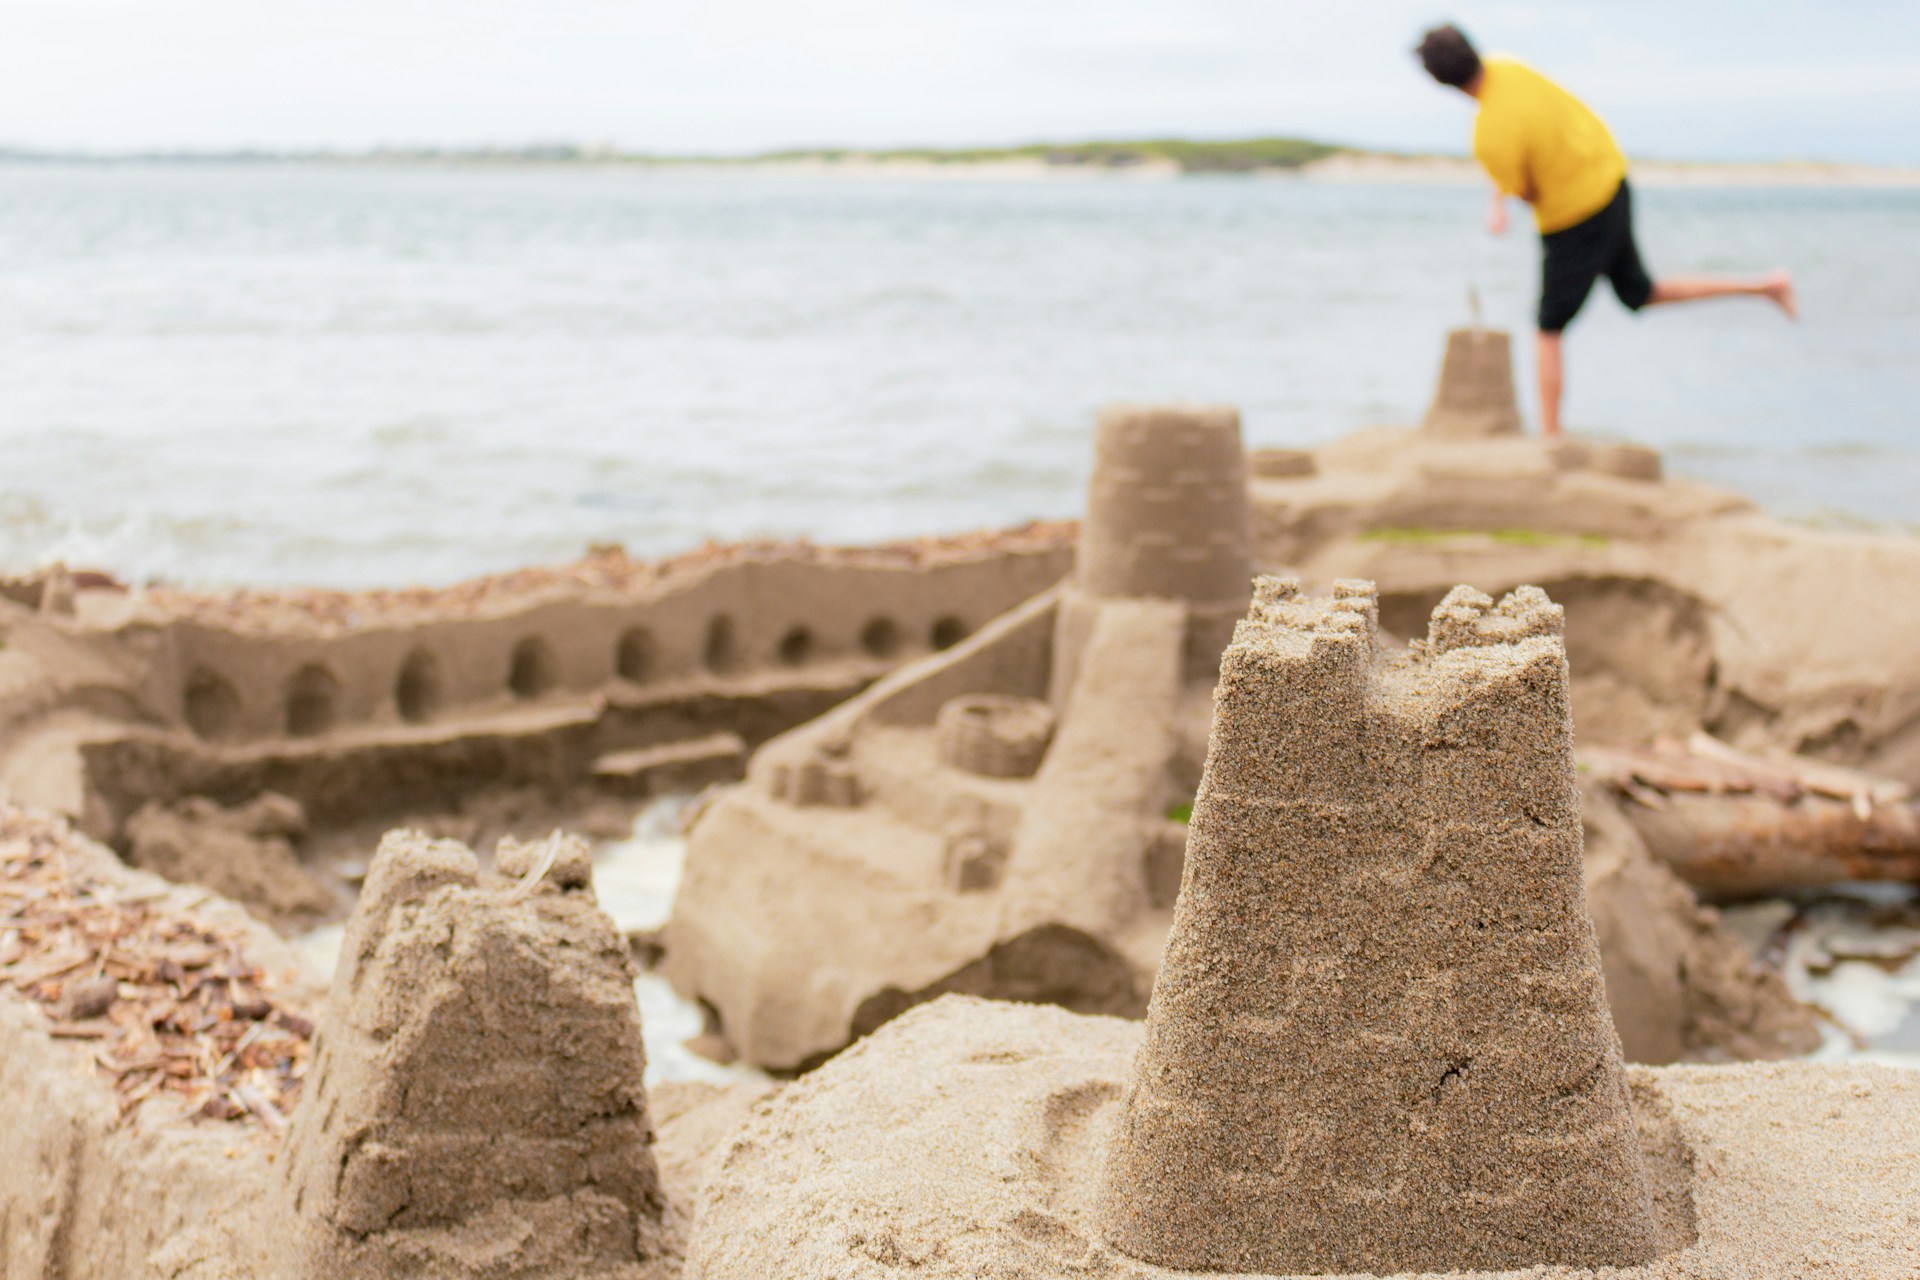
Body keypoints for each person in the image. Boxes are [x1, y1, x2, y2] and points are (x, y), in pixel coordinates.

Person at [1414, 24, 1795, 438]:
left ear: (1442, 83)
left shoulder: (1488, 135)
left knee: (1548, 328)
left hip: (1573, 216)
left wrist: (1503, 201)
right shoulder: (1510, 66)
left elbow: (1525, 189)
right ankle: (1766, 286)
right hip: (1612, 181)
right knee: (1642, 292)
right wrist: (1498, 197)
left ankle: (1551, 438)